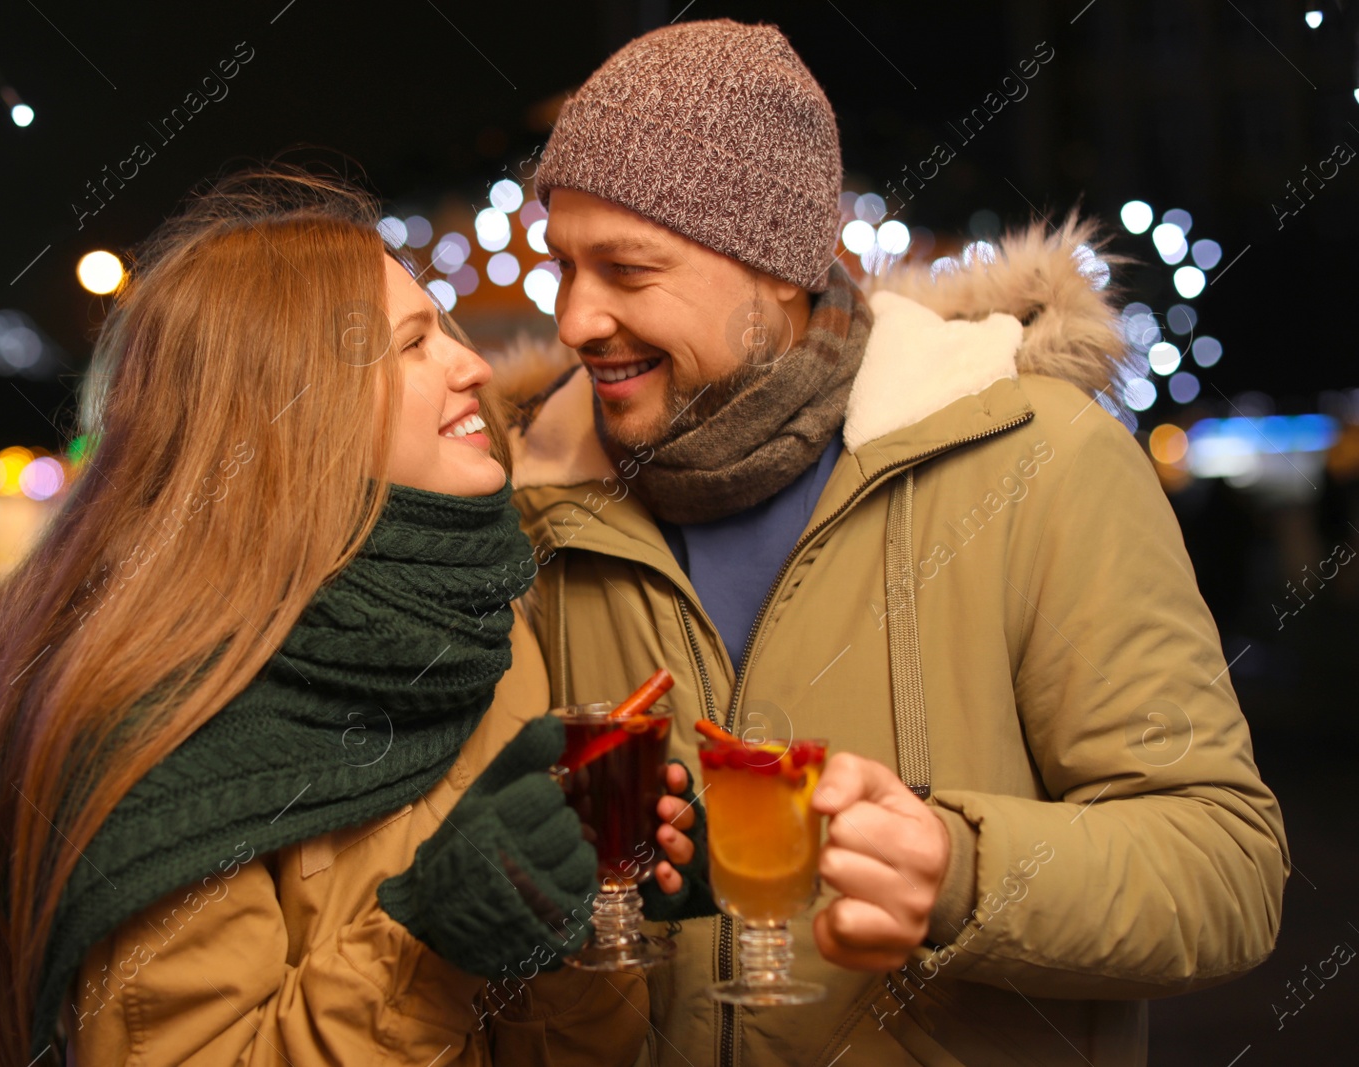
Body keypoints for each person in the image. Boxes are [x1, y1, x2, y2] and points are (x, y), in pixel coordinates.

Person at [505, 19, 1288, 1066]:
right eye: (562, 264)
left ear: (777, 265)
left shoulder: (1036, 460)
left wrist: (960, 868)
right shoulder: (535, 504)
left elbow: (1222, 867)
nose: (575, 319)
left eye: (627, 270)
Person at [0, 168, 648, 1067]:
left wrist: (590, 908)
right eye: (413, 344)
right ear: (291, 411)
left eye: (446, 330)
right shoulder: (167, 721)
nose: (475, 364)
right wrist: (435, 944)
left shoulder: (482, 619)